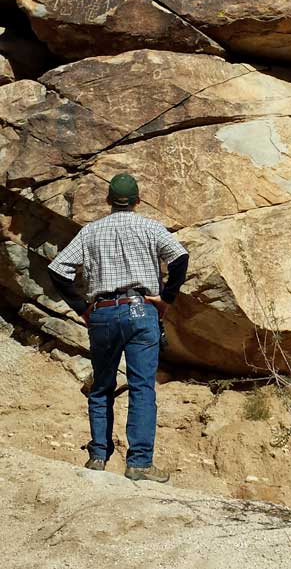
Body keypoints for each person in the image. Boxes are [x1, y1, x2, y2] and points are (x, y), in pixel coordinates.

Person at [48, 173, 189, 483]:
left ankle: (98, 456)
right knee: (141, 388)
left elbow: (58, 270)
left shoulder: (90, 232)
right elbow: (180, 257)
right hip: (142, 312)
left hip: (102, 314)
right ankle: (139, 464)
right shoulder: (151, 227)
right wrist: (167, 298)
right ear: (137, 200)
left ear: (109, 201)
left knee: (101, 386)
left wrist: (81, 308)